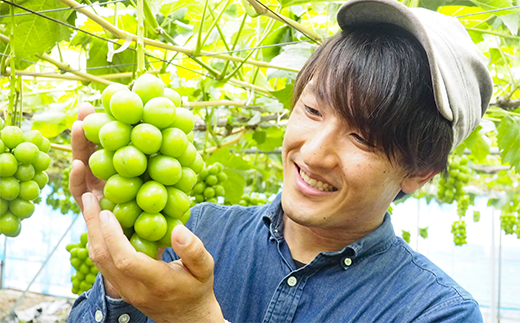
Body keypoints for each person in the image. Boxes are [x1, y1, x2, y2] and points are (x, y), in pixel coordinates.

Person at [67, 0, 493, 322]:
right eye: (312, 111)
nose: (311, 152)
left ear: (420, 173)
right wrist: (117, 283)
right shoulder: (192, 229)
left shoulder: (436, 312)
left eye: (362, 137)